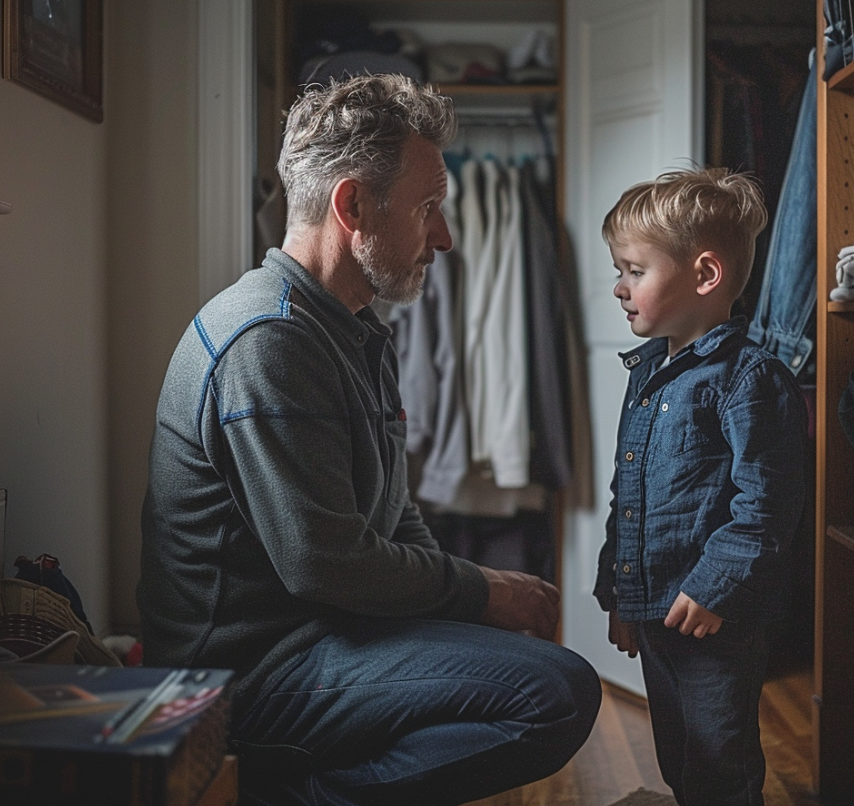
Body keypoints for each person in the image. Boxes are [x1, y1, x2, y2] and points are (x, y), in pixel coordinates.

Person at [137, 74, 600, 806]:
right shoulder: (268, 341)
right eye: (428, 208)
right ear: (352, 205)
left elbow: (393, 515)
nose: (444, 236)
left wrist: (468, 597)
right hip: (247, 676)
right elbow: (326, 564)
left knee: (530, 667)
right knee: (560, 692)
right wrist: (481, 591)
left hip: (325, 634)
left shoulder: (349, 325)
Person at [593, 168, 808, 806]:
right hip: (654, 606)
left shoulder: (750, 381)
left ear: (705, 276)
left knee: (719, 755)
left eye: (634, 270)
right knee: (677, 752)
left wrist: (715, 588)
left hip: (718, 617)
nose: (618, 287)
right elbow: (627, 494)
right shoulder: (649, 374)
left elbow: (767, 509)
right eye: (619, 269)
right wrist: (622, 598)